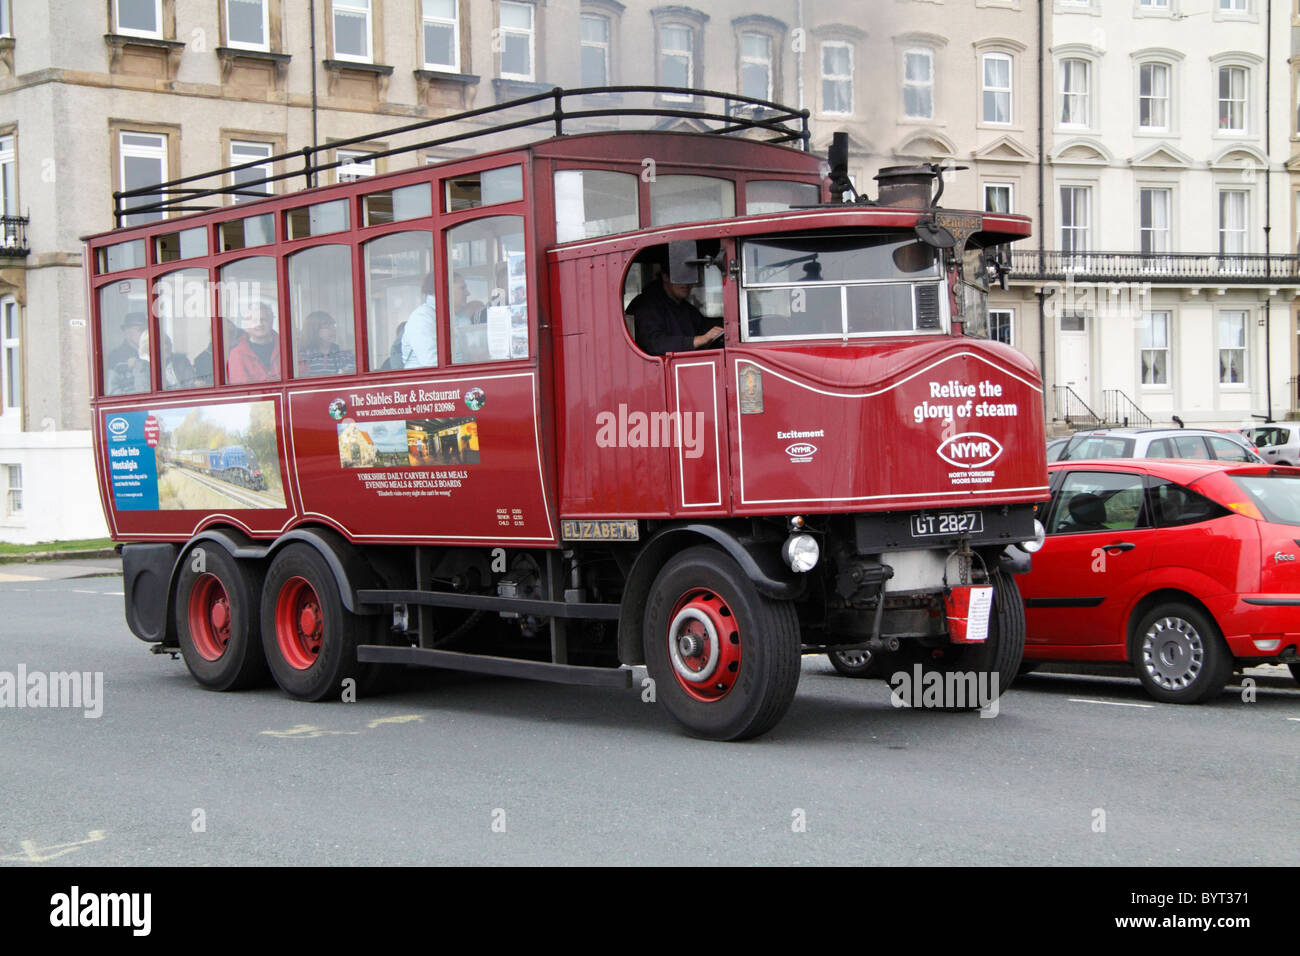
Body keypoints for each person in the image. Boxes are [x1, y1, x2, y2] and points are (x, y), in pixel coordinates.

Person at [628, 265, 723, 356]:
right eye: (680, 277)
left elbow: (703, 326)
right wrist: (697, 340)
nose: (686, 283)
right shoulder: (646, 305)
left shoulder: (685, 307)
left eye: (689, 277)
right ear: (665, 277)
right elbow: (655, 344)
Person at [227, 300, 280, 384]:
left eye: (263, 319)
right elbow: (242, 389)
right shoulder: (237, 354)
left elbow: (301, 373)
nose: (259, 324)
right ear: (246, 324)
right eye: (254, 321)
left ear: (271, 321)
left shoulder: (287, 347)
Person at [297, 310, 355, 376]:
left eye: (333, 325)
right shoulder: (302, 355)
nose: (333, 329)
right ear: (314, 330)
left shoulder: (342, 354)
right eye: (327, 326)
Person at [105, 312, 148, 394]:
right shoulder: (115, 357)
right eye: (140, 330)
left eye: (146, 330)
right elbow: (112, 391)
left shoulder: (153, 353)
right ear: (128, 333)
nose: (146, 333)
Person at [401, 273, 438, 368]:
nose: (468, 293)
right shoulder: (422, 317)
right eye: (462, 288)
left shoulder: (457, 315)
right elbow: (430, 362)